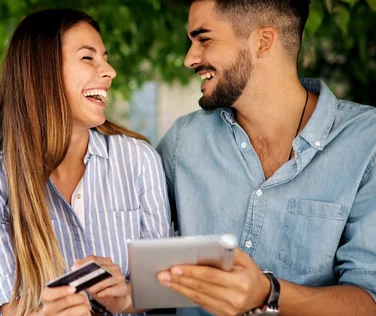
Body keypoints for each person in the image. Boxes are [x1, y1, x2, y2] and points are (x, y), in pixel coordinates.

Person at [155, 0, 376, 315]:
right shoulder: (183, 141)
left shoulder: (367, 142)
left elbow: (370, 299)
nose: (190, 58)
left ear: (262, 41)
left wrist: (268, 292)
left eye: (204, 40)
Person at [0, 8, 172, 316]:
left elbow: (160, 289)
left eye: (104, 57)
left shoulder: (138, 160)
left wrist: (127, 297)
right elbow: (13, 308)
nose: (110, 70)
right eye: (88, 58)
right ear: (41, 71)